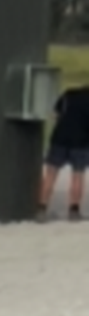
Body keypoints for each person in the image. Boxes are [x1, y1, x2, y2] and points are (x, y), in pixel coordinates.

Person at [39, 83, 89, 221]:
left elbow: (55, 114)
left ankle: (42, 208)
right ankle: (74, 210)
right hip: (81, 141)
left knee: (50, 174)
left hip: (59, 138)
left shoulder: (69, 94)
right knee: (77, 175)